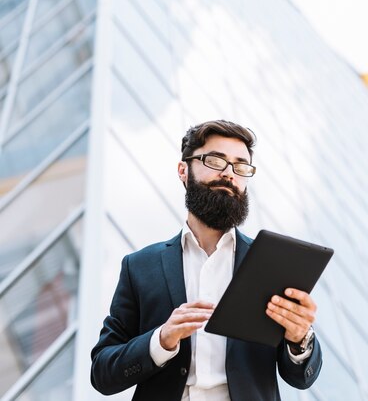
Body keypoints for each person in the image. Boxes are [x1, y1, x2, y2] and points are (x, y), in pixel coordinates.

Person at [91, 120, 322, 401]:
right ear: (183, 170)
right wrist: (161, 340)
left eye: (240, 167)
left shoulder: (271, 263)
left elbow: (300, 378)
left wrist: (299, 338)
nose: (228, 174)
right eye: (215, 160)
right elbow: (103, 372)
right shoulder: (139, 266)